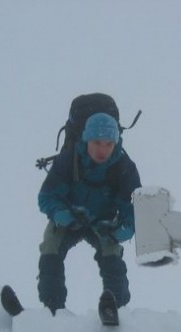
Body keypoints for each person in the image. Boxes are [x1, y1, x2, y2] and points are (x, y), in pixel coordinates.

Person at [36, 112, 141, 320]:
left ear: (116, 142)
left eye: (108, 144)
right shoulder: (69, 159)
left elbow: (134, 207)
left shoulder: (124, 167)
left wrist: (127, 228)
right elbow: (46, 196)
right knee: (50, 246)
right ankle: (52, 308)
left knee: (112, 254)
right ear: (86, 139)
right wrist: (60, 214)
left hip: (104, 223)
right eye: (97, 142)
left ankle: (117, 308)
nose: (103, 150)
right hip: (69, 218)